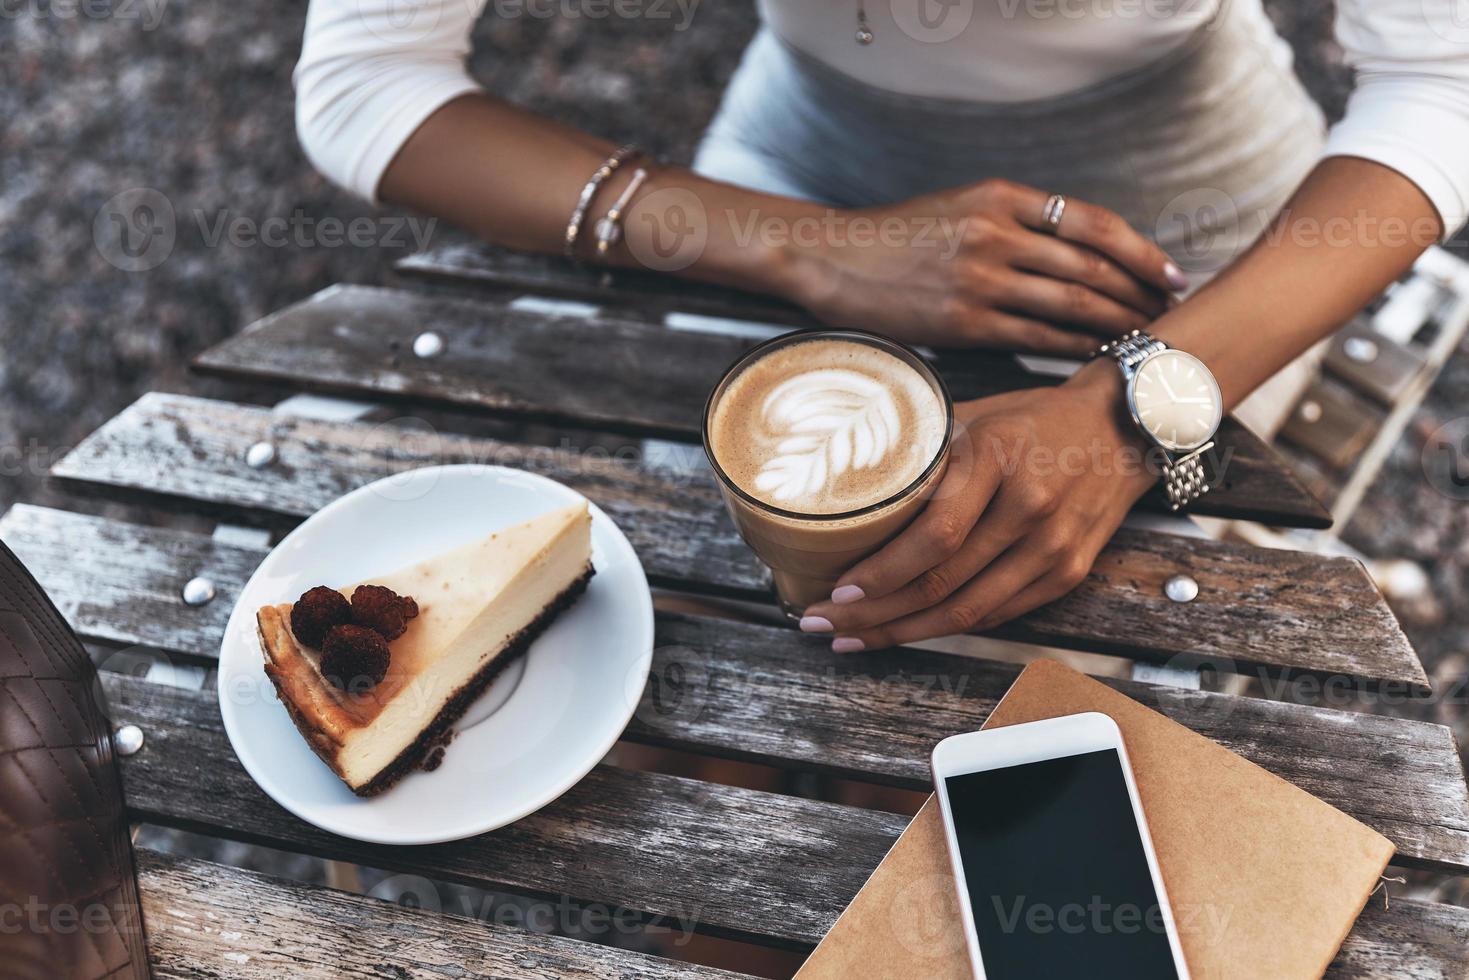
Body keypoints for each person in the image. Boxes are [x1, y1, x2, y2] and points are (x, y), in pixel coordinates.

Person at [294, 0, 1465, 650]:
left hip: (1187, 249)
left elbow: (1442, 80)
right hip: (797, 173)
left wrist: (1137, 408)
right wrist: (805, 242)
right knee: (690, 620)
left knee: (1032, 653)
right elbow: (365, 82)